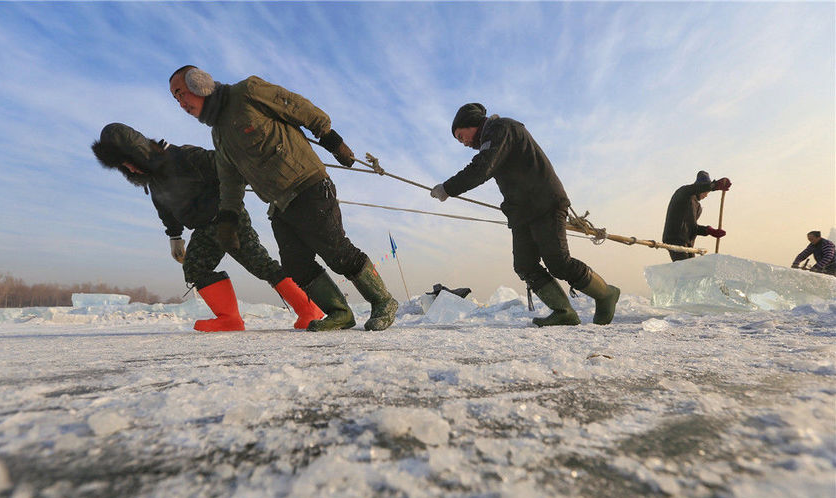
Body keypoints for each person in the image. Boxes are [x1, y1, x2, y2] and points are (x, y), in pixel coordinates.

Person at [168, 66, 397, 331]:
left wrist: (332, 140)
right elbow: (230, 180)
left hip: (308, 184)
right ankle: (339, 312)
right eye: (176, 99)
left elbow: (296, 106)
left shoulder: (247, 92)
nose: (181, 104)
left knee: (336, 251)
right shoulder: (218, 134)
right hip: (279, 203)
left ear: (199, 83)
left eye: (181, 93)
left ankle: (383, 300)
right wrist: (228, 218)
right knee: (295, 264)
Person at [91, 123, 323, 332]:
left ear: (138, 152)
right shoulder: (155, 182)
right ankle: (229, 319)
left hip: (227, 218)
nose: (131, 170)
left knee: (259, 263)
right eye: (125, 167)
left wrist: (254, 173)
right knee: (195, 268)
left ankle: (308, 309)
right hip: (203, 228)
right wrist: (175, 237)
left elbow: (226, 166)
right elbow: (166, 211)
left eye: (130, 163)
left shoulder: (184, 156)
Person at [431, 103, 619, 326]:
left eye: (461, 136)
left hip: (545, 203)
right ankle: (564, 312)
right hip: (522, 211)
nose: (463, 143)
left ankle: (606, 294)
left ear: (471, 124)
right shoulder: (491, 138)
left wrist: (448, 188)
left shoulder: (501, 129)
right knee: (524, 265)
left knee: (558, 262)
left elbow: (482, 168)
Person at [662, 171, 731, 261]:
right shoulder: (684, 193)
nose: (706, 195)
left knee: (693, 267)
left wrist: (708, 230)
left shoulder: (697, 207)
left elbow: (691, 227)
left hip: (688, 242)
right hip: (675, 239)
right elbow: (694, 189)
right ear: (700, 188)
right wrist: (714, 185)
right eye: (706, 191)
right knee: (685, 267)